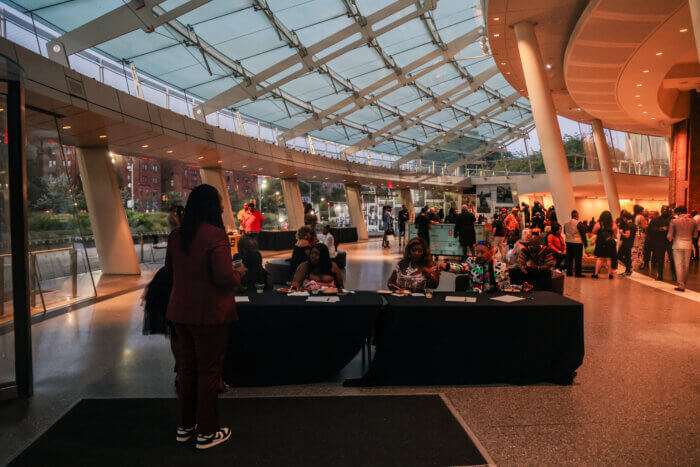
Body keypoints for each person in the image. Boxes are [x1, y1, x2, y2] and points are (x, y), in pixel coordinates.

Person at [165, 184, 246, 450]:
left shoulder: (177, 235)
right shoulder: (216, 236)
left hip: (180, 312)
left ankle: (184, 428)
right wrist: (239, 274)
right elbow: (223, 277)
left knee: (186, 371)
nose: (223, 207)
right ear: (213, 206)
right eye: (220, 202)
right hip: (210, 314)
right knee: (209, 372)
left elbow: (170, 270)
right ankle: (208, 433)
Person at [438, 240, 517, 293]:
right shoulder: (472, 262)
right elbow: (461, 267)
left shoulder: (501, 266)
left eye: (482, 252)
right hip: (474, 299)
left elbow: (507, 287)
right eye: (477, 252)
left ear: (490, 252)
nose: (478, 255)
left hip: (494, 301)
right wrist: (447, 266)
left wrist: (521, 288)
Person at [667, 206, 698, 292]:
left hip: (677, 244)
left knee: (678, 265)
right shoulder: (693, 221)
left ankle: (681, 285)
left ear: (678, 213)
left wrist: (673, 238)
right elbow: (695, 235)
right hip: (688, 245)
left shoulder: (674, 221)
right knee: (686, 265)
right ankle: (683, 283)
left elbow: (669, 236)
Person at [648, 206, 675, 281]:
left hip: (670, 242)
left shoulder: (673, 219)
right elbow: (650, 230)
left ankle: (674, 275)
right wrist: (660, 229)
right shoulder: (656, 220)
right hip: (659, 241)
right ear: (661, 211)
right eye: (663, 210)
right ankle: (660, 275)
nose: (664, 211)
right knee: (660, 259)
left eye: (666, 210)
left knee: (672, 259)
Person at [592, 210, 618, 279]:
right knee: (609, 258)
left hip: (600, 242)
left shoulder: (598, 224)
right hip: (610, 243)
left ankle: (596, 274)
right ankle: (610, 274)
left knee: (600, 258)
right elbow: (615, 235)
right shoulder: (614, 225)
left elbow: (593, 232)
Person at [563, 210, 587, 277]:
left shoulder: (566, 224)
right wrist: (585, 244)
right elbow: (583, 234)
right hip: (577, 243)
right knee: (578, 259)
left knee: (569, 258)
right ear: (577, 215)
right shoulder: (579, 223)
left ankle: (569, 273)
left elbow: (565, 232)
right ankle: (577, 273)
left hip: (568, 242)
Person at [617, 211, 636, 276]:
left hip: (626, 243)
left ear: (625, 218)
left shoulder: (628, 225)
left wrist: (621, 232)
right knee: (627, 257)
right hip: (630, 243)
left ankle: (628, 267)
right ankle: (628, 270)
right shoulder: (633, 224)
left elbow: (627, 235)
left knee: (619, 255)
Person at [630, 205, 648, 270]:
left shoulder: (633, 216)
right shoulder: (641, 217)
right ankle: (639, 263)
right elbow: (643, 226)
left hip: (635, 234)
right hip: (640, 234)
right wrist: (648, 225)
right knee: (640, 249)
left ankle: (634, 263)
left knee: (635, 248)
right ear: (640, 211)